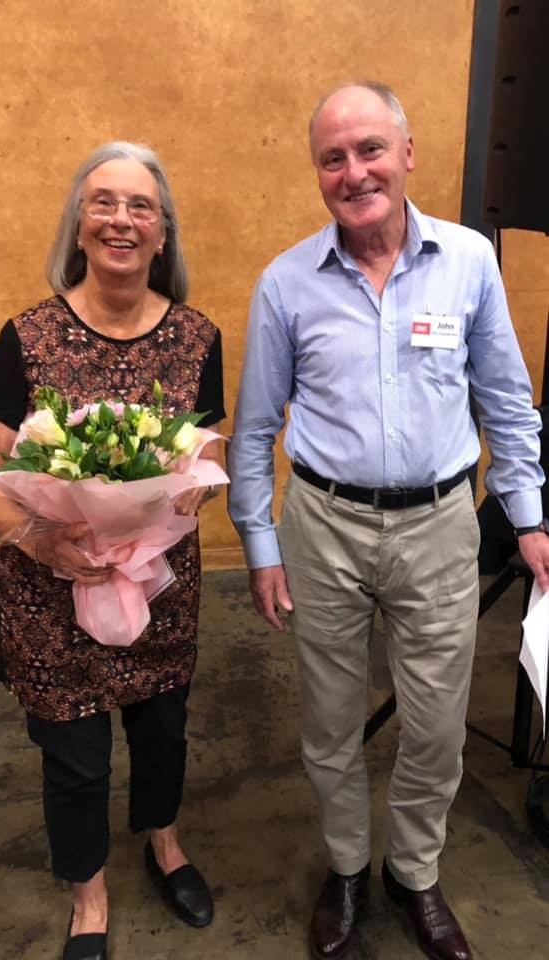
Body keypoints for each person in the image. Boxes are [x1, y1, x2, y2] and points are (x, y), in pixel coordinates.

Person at [228, 81, 549, 960]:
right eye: (333, 157)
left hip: (442, 523)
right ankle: (344, 870)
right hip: (323, 526)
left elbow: (508, 405)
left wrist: (529, 516)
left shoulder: (469, 265)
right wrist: (260, 544)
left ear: (407, 153)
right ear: (317, 173)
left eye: (370, 149)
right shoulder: (287, 283)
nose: (354, 170)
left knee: (438, 724)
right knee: (329, 723)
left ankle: (414, 873)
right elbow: (255, 431)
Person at [0, 141, 225, 960]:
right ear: (79, 225)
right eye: (103, 202)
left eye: (141, 206)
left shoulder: (197, 337)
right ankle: (88, 893)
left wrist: (187, 496)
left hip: (158, 587)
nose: (121, 219)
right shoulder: (27, 337)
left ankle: (164, 840)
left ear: (162, 233)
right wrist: (43, 537)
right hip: (51, 593)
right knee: (74, 758)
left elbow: (207, 459)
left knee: (161, 733)